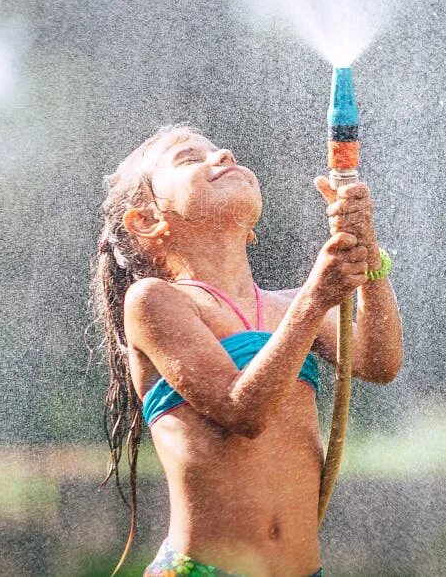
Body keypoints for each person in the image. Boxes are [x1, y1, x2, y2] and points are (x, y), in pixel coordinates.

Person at [90, 124, 403, 577]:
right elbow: (243, 411)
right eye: (188, 158)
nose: (224, 155)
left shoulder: (287, 307)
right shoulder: (156, 301)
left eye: (220, 150)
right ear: (147, 221)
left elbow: (379, 361)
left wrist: (370, 255)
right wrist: (316, 298)